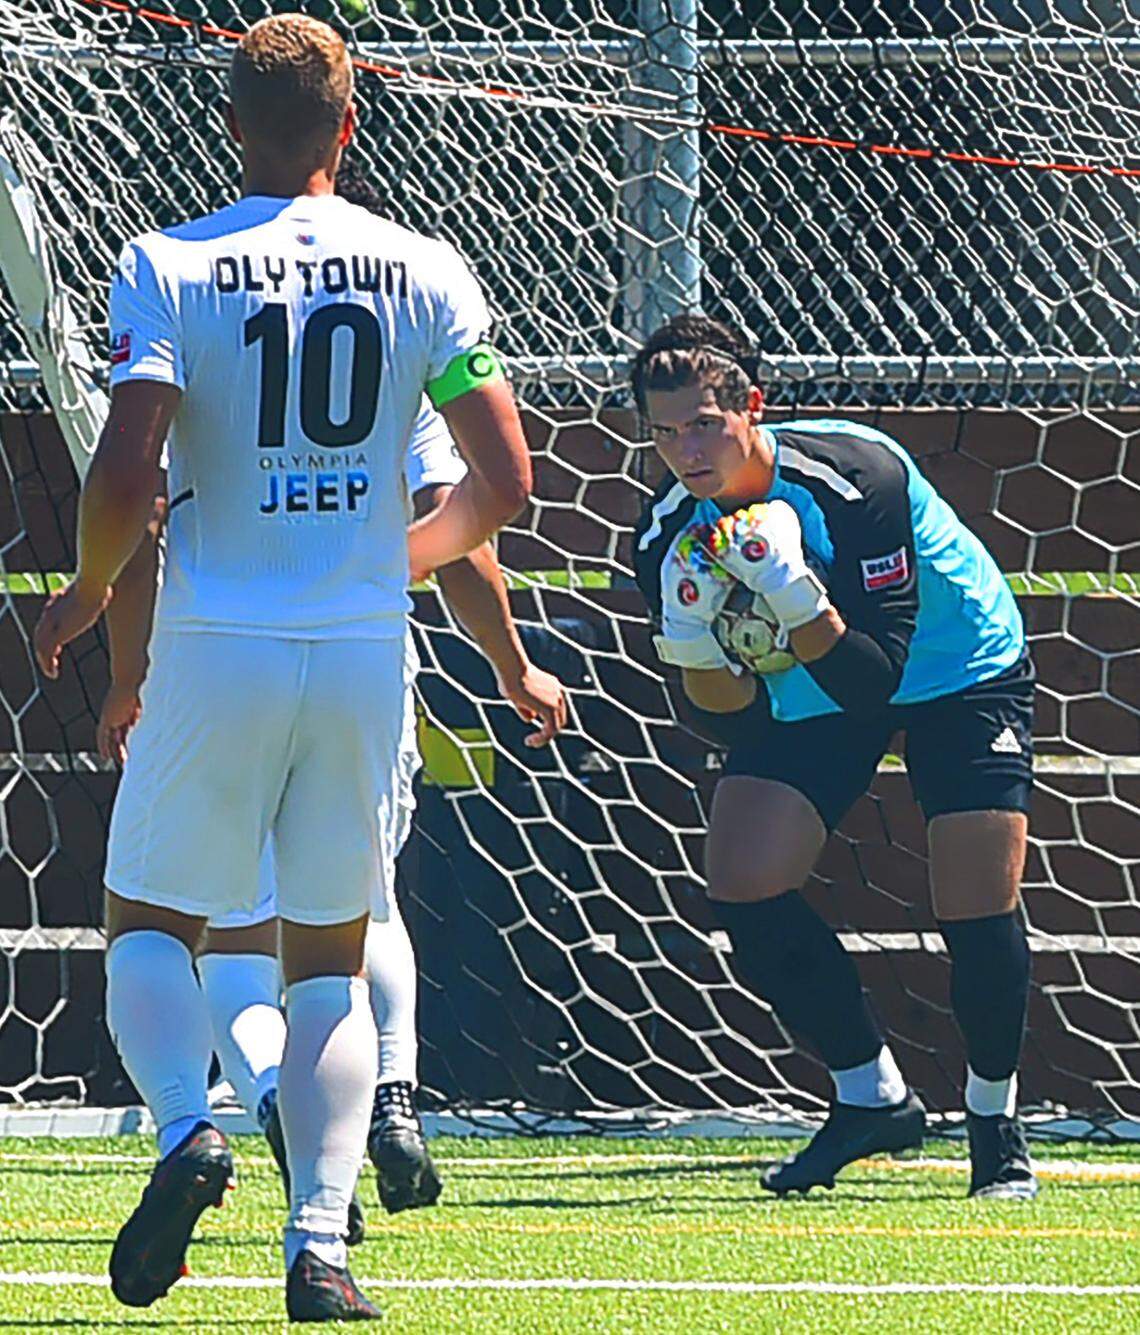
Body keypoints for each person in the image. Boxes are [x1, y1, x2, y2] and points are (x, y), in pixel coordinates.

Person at [33, 13, 531, 1322]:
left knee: (150, 925)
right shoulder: (425, 267)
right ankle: (322, 1248)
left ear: (233, 125)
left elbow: (131, 468)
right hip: (361, 657)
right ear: (350, 123)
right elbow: (507, 481)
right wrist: (386, 563)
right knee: (331, 957)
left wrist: (88, 591)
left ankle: (186, 1127)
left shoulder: (171, 262)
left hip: (216, 648)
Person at [99, 375, 567, 1237]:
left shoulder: (196, 322)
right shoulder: (398, 332)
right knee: (353, 920)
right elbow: (482, 503)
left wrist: (121, 662)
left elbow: (140, 509)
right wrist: (510, 661)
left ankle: (227, 1115)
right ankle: (381, 1110)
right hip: (360, 663)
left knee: (209, 939)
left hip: (219, 666)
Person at [631, 314, 1036, 1200]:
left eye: (704, 423)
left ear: (752, 409)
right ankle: (870, 1095)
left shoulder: (858, 477)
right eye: (663, 432)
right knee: (741, 874)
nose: (685, 452)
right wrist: (697, 644)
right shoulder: (666, 533)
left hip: (955, 666)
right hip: (814, 686)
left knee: (973, 893)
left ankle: (994, 1121)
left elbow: (877, 675)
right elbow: (724, 725)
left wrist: (787, 586)